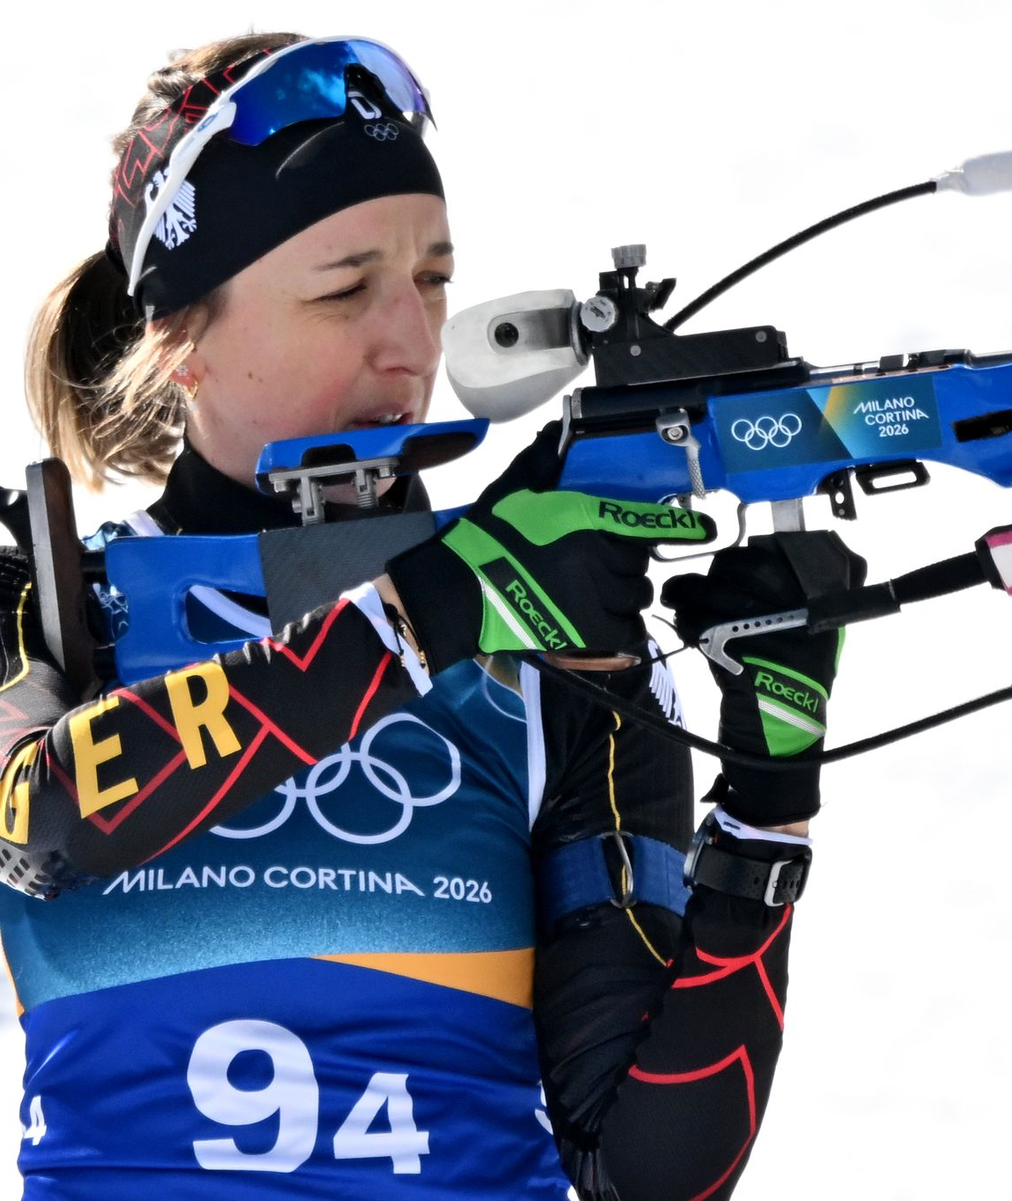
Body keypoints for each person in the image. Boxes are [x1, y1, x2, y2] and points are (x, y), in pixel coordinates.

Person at [0, 33, 854, 1199]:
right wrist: (440, 608)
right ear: (181, 337)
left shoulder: (557, 639)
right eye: (346, 288)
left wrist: (767, 809)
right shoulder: (43, 604)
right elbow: (39, 821)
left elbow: (645, 1172)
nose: (411, 343)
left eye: (434, 281)